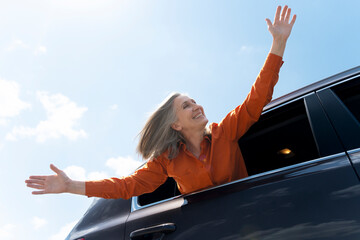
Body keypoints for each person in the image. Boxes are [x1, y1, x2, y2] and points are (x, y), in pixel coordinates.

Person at [25, 5, 296, 199]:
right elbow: (125, 186)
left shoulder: (225, 132)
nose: (197, 106)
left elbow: (257, 98)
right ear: (175, 125)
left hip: (252, 216)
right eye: (186, 106)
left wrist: (278, 45)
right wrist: (71, 185)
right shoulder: (167, 162)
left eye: (194, 101)